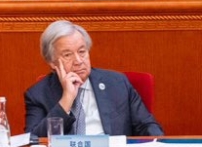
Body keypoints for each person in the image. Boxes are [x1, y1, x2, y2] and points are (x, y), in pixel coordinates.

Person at [24, 20, 162, 137]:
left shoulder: (117, 83)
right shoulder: (38, 94)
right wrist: (66, 99)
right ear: (52, 63)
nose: (78, 61)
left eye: (82, 52)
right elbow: (33, 141)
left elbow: (147, 126)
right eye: (67, 55)